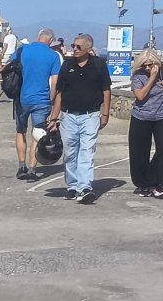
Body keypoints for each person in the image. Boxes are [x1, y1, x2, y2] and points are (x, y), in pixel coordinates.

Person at [49, 33, 111, 205]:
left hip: (90, 115)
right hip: (68, 115)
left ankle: (85, 187)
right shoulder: (67, 64)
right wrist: (54, 118)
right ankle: (72, 186)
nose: (74, 49)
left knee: (87, 152)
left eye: (78, 47)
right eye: (73, 46)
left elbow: (106, 90)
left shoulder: (98, 65)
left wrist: (105, 113)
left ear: (88, 49)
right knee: (70, 153)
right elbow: (60, 93)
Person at [127, 49, 163, 198]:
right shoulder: (138, 76)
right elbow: (140, 95)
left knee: (162, 149)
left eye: (150, 65)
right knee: (140, 152)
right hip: (141, 117)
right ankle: (143, 183)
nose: (148, 68)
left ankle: (160, 183)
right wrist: (152, 78)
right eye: (144, 65)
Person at [11, 30, 61, 181]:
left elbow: (10, 68)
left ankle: (21, 167)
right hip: (41, 100)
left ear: (38, 37)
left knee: (21, 131)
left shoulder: (21, 50)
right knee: (37, 135)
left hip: (21, 99)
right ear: (51, 40)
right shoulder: (53, 56)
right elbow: (55, 82)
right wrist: (51, 100)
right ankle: (32, 170)